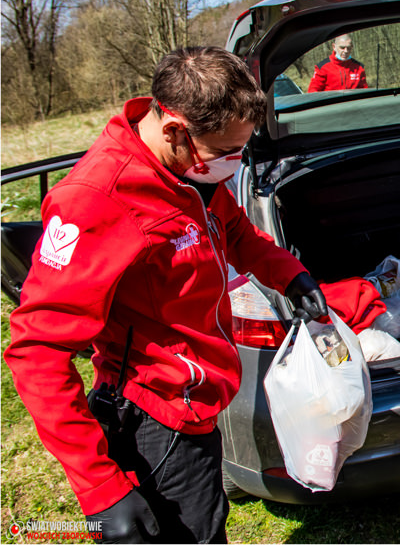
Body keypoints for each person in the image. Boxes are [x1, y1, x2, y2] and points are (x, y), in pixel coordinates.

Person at [3, 46, 327, 543]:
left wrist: (288, 274)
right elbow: (37, 352)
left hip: (200, 395)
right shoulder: (98, 200)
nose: (235, 167)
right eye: (226, 153)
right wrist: (100, 489)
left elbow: (234, 229)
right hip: (156, 416)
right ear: (174, 129)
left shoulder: (188, 171)